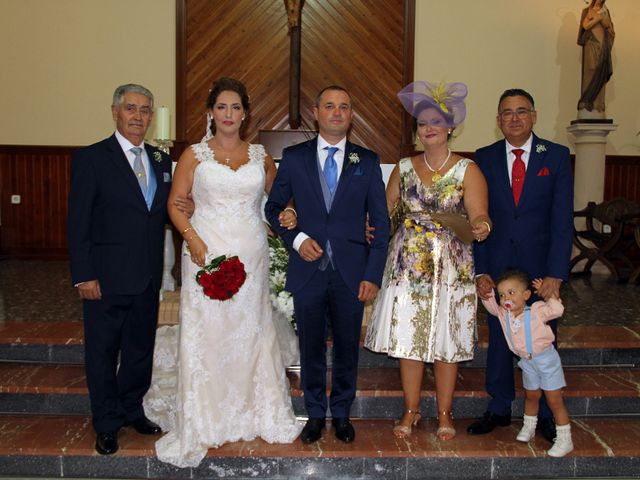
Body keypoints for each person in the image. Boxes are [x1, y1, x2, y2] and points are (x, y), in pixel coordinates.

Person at [152, 77, 301, 468]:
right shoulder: (194, 156)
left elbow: (277, 202)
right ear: (210, 113)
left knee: (249, 334)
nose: (229, 115)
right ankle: (206, 417)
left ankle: (254, 411)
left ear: (245, 114)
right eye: (222, 107)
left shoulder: (260, 156)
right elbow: (174, 204)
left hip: (252, 258)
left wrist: (287, 212)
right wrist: (193, 239)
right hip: (206, 254)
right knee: (211, 335)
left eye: (236, 108)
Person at [68, 84, 192, 455]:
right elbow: (78, 223)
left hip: (146, 277)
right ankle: (106, 423)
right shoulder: (92, 158)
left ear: (152, 118)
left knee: (140, 349)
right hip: (104, 279)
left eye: (145, 111)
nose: (138, 117)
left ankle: (131, 408)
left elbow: (171, 209)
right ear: (115, 112)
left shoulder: (159, 160)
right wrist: (84, 274)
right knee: (103, 353)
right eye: (131, 109)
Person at [364, 81, 490, 441]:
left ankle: (446, 413)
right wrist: (370, 229)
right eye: (422, 124)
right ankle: (410, 410)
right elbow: (386, 212)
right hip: (408, 267)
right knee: (410, 339)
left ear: (450, 127)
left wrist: (481, 226)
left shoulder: (468, 169)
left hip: (451, 267)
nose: (428, 128)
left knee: (445, 340)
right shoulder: (403, 168)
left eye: (436, 122)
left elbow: (479, 214)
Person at [265, 85, 390, 444]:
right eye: (330, 106)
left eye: (344, 107)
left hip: (352, 273)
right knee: (311, 347)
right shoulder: (294, 157)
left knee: (348, 347)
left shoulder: (366, 161)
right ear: (316, 113)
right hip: (308, 272)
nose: (337, 112)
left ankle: (342, 414)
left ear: (351, 116)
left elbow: (380, 223)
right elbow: (273, 209)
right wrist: (298, 240)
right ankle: (315, 414)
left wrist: (373, 274)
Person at [467, 89, 574, 443]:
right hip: (498, 266)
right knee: (500, 337)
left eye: (521, 111)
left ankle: (545, 413)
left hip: (540, 270)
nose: (514, 118)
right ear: (498, 121)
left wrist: (557, 274)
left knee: (543, 339)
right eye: (507, 113)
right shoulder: (484, 158)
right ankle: (498, 407)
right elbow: (477, 216)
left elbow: (562, 220)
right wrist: (481, 270)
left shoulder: (556, 157)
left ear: (534, 116)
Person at [481, 269, 573, 457]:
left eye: (511, 292)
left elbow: (558, 310)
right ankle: (529, 426)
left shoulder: (538, 310)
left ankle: (565, 439)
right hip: (527, 363)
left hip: (546, 361)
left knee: (554, 400)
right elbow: (490, 304)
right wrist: (487, 291)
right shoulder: (503, 314)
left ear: (526, 295)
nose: (506, 297)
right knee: (531, 396)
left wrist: (551, 295)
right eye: (502, 294)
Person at [577, 0, 615, 113]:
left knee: (601, 73)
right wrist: (598, 19)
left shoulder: (606, 12)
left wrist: (604, 21)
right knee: (590, 71)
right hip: (591, 44)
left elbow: (610, 29)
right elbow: (585, 25)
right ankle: (586, 102)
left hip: (603, 46)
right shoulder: (589, 11)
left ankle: (598, 104)